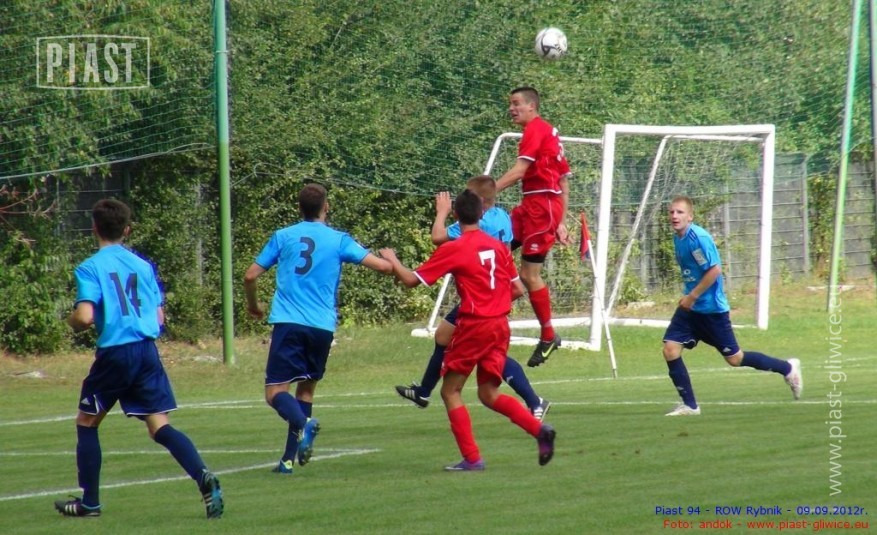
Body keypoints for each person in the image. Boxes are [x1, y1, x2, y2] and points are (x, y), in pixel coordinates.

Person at [55, 199, 223, 519]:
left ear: (94, 228)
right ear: (127, 230)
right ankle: (203, 476)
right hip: (147, 352)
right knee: (159, 426)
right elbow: (159, 318)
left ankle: (90, 503)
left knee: (87, 422)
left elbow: (85, 316)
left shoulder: (90, 267)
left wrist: (71, 321)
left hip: (116, 355)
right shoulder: (143, 266)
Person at [381, 189, 556, 471]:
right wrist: (493, 302)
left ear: (455, 214)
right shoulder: (499, 247)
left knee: (450, 391)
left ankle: (472, 458)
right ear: (481, 213)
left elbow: (412, 280)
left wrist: (393, 261)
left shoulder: (455, 248)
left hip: (475, 326)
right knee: (488, 394)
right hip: (500, 325)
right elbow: (516, 288)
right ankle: (539, 430)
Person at [244, 183, 392, 473]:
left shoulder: (283, 236)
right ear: (326, 207)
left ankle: (304, 423)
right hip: (322, 327)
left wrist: (254, 305)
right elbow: (383, 268)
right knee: (306, 392)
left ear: (299, 208)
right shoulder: (339, 240)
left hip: (289, 322)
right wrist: (390, 260)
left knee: (274, 393)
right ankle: (287, 460)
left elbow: (250, 276)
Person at [662, 195, 803, 416]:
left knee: (735, 359)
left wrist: (692, 296)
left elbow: (714, 270)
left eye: (680, 212)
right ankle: (690, 406)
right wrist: (689, 298)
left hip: (711, 311)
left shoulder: (698, 238)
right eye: (672, 212)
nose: (674, 216)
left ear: (690, 216)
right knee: (670, 349)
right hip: (690, 311)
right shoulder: (678, 238)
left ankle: (788, 368)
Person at [495, 86, 572, 368]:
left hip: (542, 207)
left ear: (531, 106)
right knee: (494, 246)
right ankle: (500, 298)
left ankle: (548, 335)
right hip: (533, 206)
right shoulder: (548, 133)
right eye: (510, 104)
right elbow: (563, 181)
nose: (511, 108)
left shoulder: (536, 130)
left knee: (530, 274)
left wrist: (486, 192)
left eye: (516, 103)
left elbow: (519, 172)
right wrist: (561, 221)